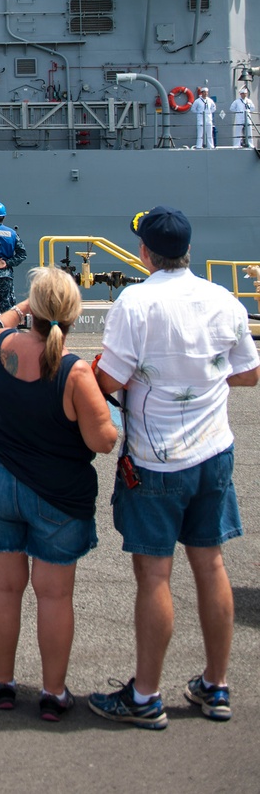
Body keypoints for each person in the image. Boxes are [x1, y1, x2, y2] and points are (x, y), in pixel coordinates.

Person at [89, 206, 259, 728]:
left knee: (155, 574)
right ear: (188, 249)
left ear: (145, 252)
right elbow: (248, 374)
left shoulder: (135, 302)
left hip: (156, 460)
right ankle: (216, 684)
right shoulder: (222, 298)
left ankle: (145, 695)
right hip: (214, 452)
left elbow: (110, 381)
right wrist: (201, 383)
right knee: (210, 565)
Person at [0, 267, 117, 719]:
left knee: (2, 586)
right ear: (74, 315)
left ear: (33, 309)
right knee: (54, 596)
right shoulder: (75, 373)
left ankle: (1, 682)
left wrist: (20, 308)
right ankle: (54, 693)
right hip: (57, 494)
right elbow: (103, 441)